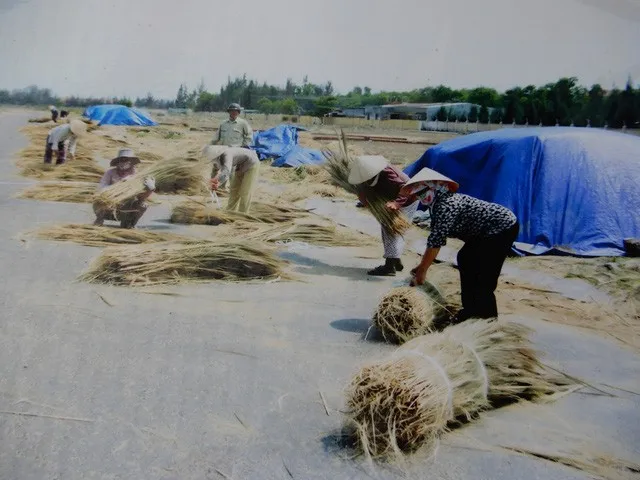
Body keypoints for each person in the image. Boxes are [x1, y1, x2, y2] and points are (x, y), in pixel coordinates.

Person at [401, 167, 519, 322]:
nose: (420, 197)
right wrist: (422, 265)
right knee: (466, 259)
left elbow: (436, 241)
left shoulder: (446, 205)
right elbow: (435, 236)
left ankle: (487, 320)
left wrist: (423, 270)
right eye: (418, 194)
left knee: (483, 275)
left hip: (501, 228)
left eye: (422, 192)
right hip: (481, 233)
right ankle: (470, 310)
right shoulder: (437, 204)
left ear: (435, 188)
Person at [348, 155, 419, 276]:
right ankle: (395, 261)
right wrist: (366, 201)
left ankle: (389, 267)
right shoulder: (362, 177)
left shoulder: (387, 172)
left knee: (393, 230)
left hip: (407, 199)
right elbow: (362, 193)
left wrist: (397, 203)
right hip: (388, 200)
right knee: (387, 228)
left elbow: (406, 188)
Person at [93, 149, 156, 229]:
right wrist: (116, 189)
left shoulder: (138, 175)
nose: (123, 162)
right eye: (121, 160)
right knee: (97, 200)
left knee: (143, 205)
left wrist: (150, 189)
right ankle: (99, 219)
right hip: (110, 206)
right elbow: (101, 187)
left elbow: (141, 197)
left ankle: (130, 223)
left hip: (128, 207)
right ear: (117, 162)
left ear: (131, 162)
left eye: (126, 159)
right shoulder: (110, 173)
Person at [204, 145, 260, 214]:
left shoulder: (227, 154)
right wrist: (215, 182)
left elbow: (227, 171)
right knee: (234, 189)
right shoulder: (218, 159)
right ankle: (230, 211)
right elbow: (216, 170)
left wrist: (217, 181)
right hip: (240, 166)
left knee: (245, 191)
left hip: (252, 164)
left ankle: (243, 214)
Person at [211, 103, 253, 190]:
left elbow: (249, 136)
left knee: (230, 171)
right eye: (232, 111)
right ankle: (214, 186)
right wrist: (211, 146)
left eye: (235, 111)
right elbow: (216, 137)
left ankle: (229, 189)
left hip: (234, 152)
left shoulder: (243, 123)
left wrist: (243, 147)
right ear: (229, 112)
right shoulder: (223, 123)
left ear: (238, 112)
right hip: (222, 150)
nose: (233, 113)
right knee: (216, 168)